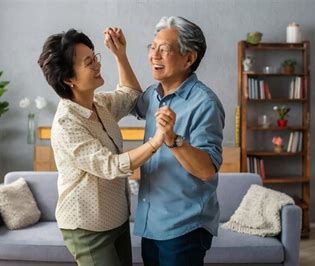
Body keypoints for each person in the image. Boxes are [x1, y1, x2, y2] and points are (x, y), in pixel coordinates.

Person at [37, 28, 164, 266]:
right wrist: (157, 141)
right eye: (88, 62)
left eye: (95, 57)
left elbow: (130, 95)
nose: (97, 65)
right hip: (87, 227)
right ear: (68, 79)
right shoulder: (66, 123)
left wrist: (120, 55)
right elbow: (110, 166)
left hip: (116, 218)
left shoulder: (99, 103)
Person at [132, 16, 225, 266]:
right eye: (152, 48)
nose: (154, 55)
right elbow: (132, 97)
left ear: (189, 58)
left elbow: (207, 169)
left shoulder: (205, 103)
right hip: (151, 223)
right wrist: (120, 55)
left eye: (164, 49)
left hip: (184, 226)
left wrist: (173, 139)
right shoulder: (154, 94)